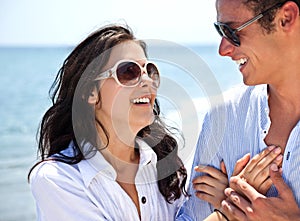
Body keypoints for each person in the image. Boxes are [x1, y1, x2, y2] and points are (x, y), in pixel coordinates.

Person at [28, 24, 189, 221]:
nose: (147, 81)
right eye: (129, 71)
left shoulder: (166, 169)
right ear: (90, 92)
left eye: (149, 71)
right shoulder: (57, 179)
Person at [177, 0, 300, 220]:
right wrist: (230, 208)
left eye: (232, 31)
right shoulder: (223, 117)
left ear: (286, 18)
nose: (223, 50)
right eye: (220, 31)